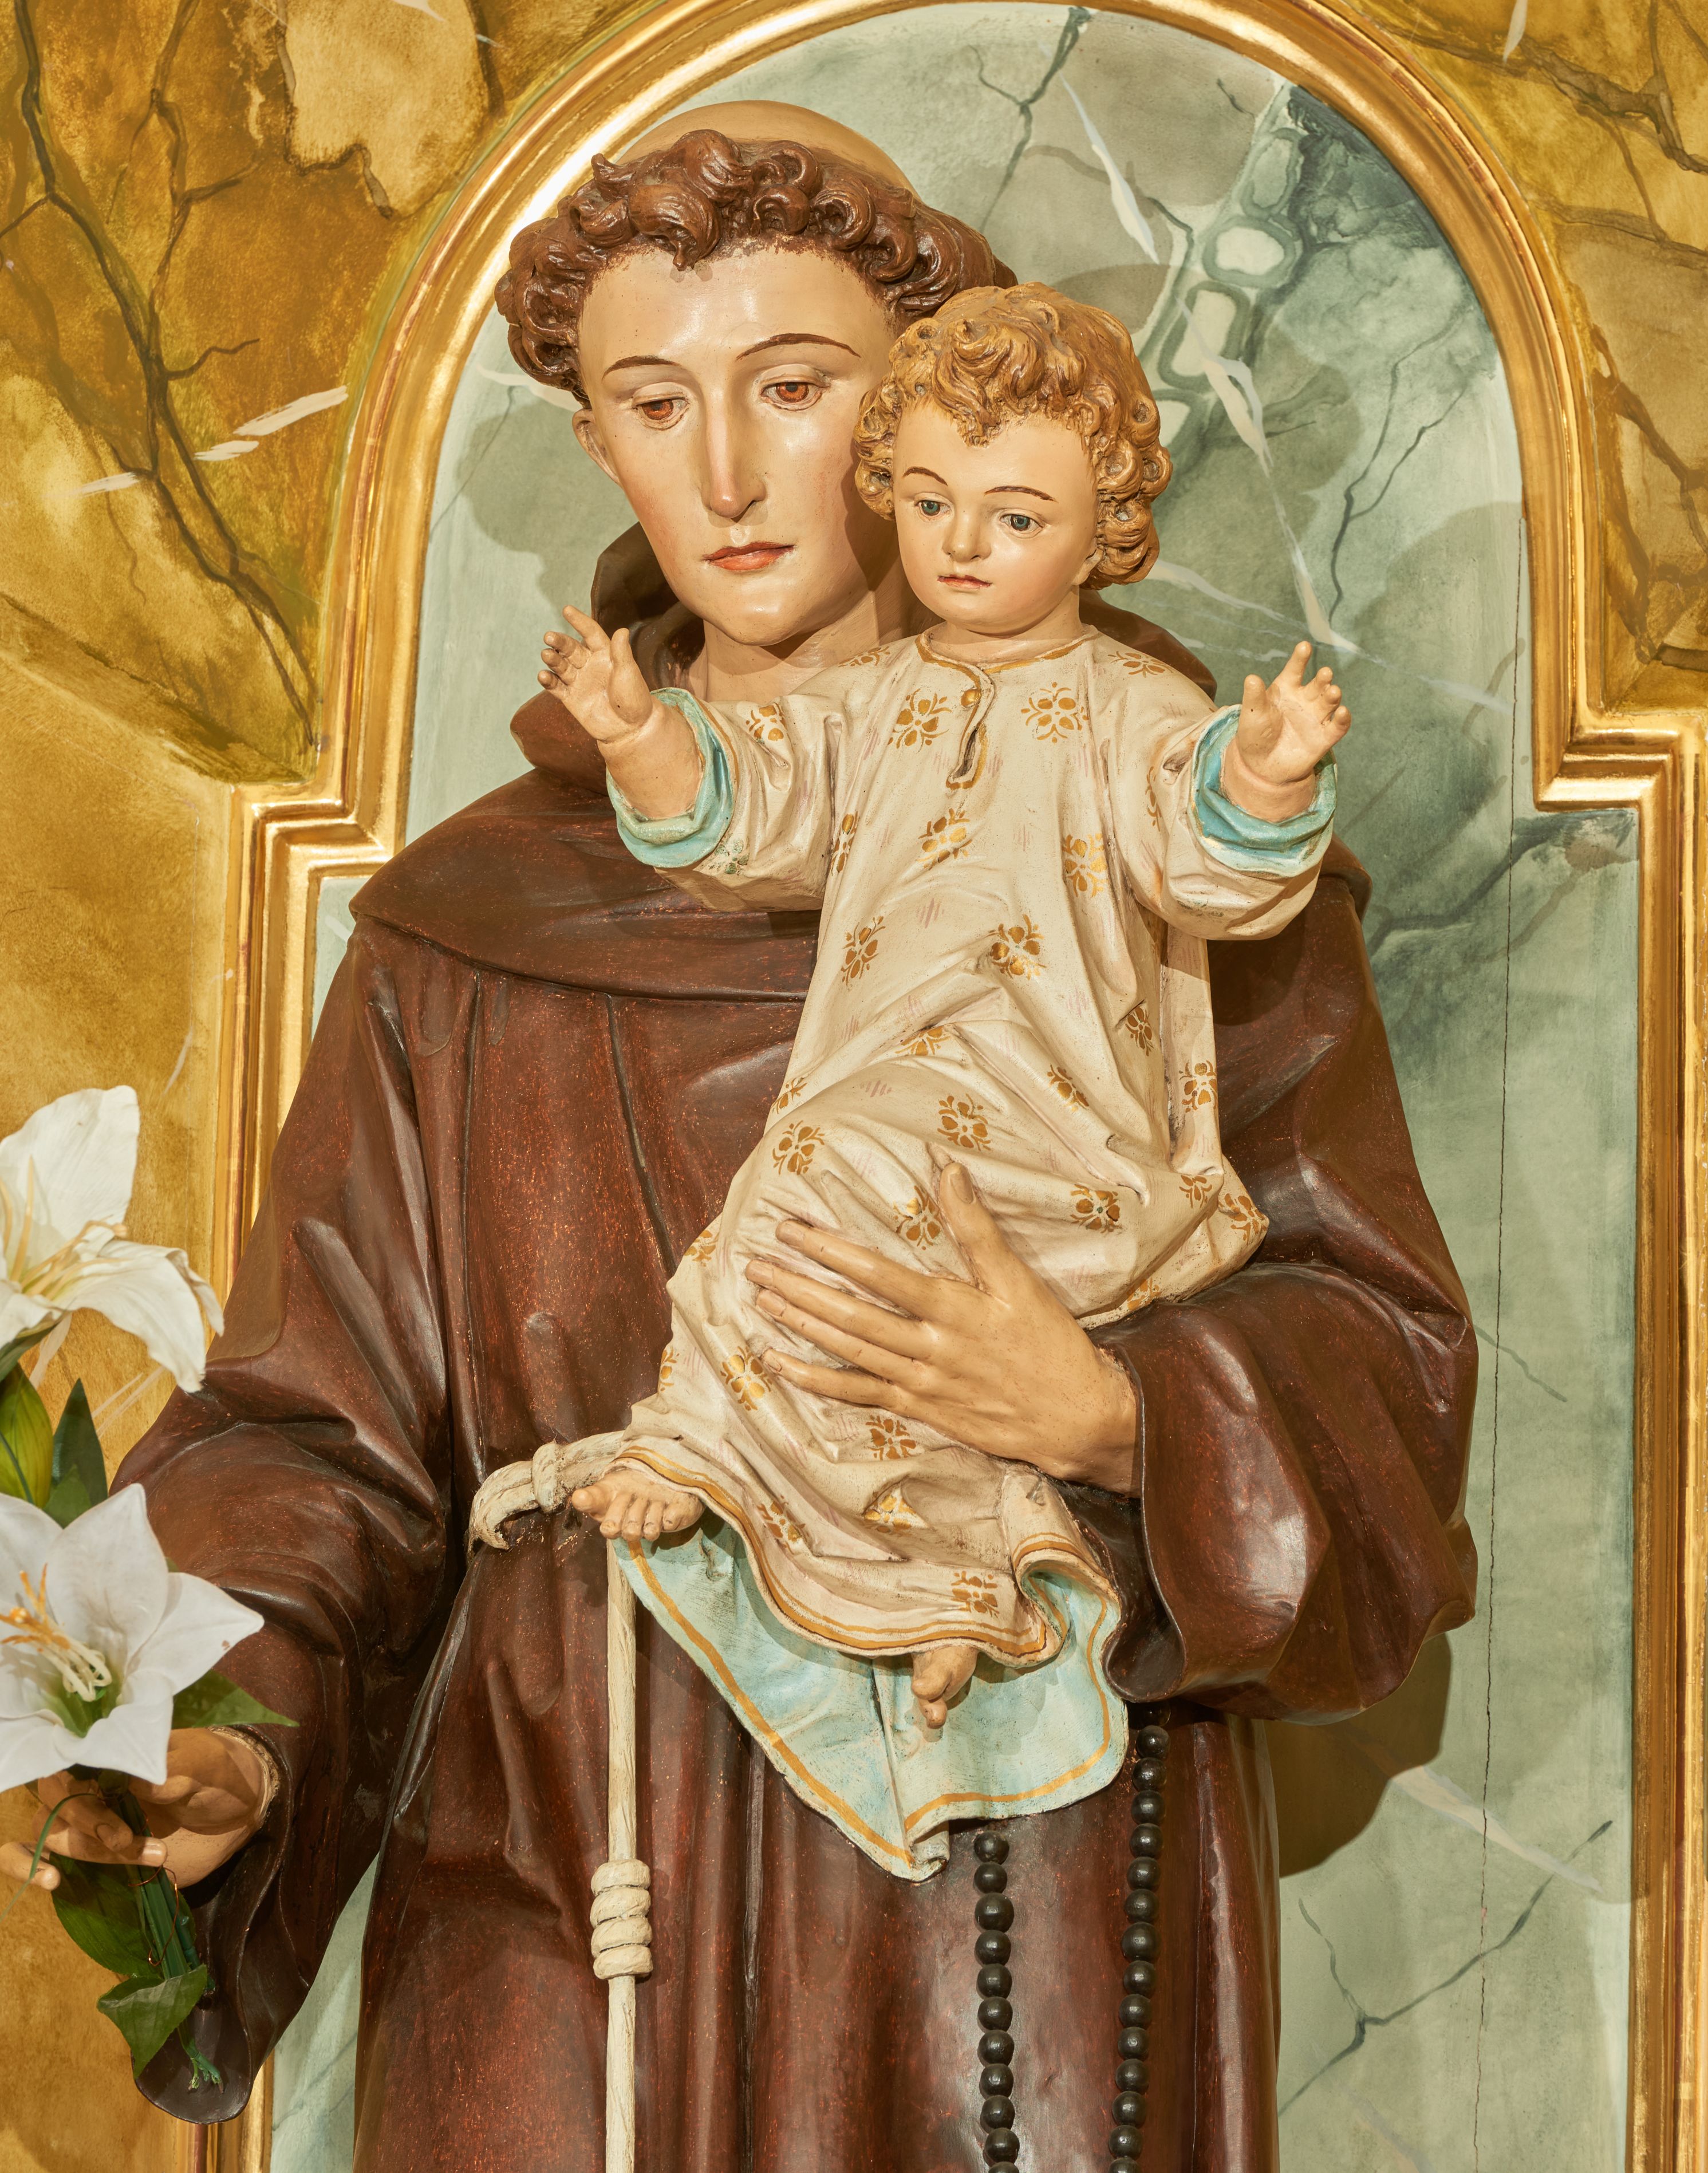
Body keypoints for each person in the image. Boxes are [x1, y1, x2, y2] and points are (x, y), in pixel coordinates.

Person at [2, 109, 1476, 2171]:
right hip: (578, 1830)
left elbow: (1384, 1359)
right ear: (593, 438)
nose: (723, 476)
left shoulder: (1175, 833)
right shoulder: (471, 919)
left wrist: (1117, 1412)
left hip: (1012, 1845)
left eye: (794, 389)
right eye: (653, 399)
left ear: (926, 406)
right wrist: (223, 1722)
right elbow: (319, 1425)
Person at [475, 283, 1351, 1879]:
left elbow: (1205, 852)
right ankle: (951, 1592)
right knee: (859, 1302)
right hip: (895, 1102)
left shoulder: (1135, 713)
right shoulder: (874, 706)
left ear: (1101, 532)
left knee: (823, 1206)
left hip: (1055, 1127)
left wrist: (1265, 770)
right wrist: (640, 734)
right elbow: (753, 809)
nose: (961, 546)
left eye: (1015, 517)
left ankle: (701, 1442)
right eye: (932, 503)